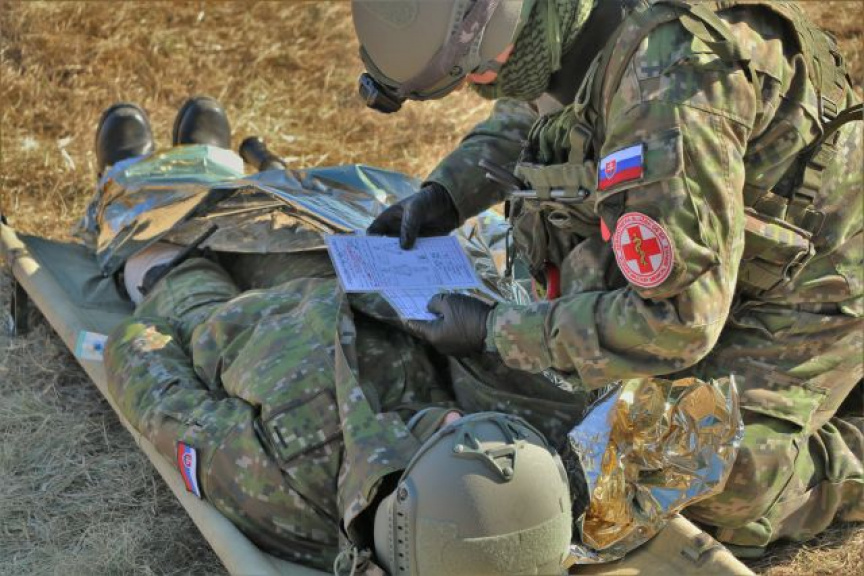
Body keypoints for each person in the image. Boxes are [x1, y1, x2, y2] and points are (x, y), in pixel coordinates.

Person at [353, 0, 863, 556]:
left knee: (685, 468)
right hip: (720, 251)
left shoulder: (672, 86)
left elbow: (676, 321)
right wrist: (447, 194)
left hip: (817, 281)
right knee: (590, 403)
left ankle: (845, 449)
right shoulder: (563, 20)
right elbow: (541, 112)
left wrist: (495, 330)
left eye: (480, 66)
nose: (479, 83)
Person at [94, 97, 577, 575]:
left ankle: (131, 179)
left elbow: (162, 398)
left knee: (165, 254)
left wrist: (147, 323)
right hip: (351, 284)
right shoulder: (526, 478)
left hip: (229, 321)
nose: (455, 417)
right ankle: (212, 166)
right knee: (276, 218)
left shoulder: (280, 488)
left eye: (447, 438)